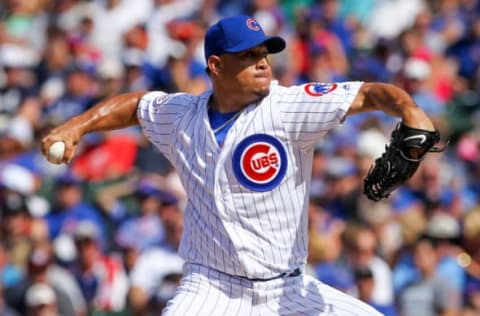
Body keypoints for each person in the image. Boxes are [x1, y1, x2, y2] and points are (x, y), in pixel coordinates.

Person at [42, 14, 438, 316]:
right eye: (248, 56)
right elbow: (135, 105)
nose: (263, 63)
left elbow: (369, 94)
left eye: (264, 54)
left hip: (288, 291)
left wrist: (410, 109)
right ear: (216, 65)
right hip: (211, 288)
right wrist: (76, 126)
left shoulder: (288, 107)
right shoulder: (181, 115)